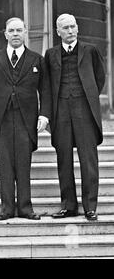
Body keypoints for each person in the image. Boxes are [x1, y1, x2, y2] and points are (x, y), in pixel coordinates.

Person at [0, 17, 51, 221]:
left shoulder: (36, 59)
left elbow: (45, 90)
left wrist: (44, 115)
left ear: (25, 33)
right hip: (1, 119)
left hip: (26, 120)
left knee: (24, 164)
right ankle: (6, 208)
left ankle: (25, 208)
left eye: (19, 30)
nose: (15, 34)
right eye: (11, 30)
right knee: (5, 164)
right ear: (5, 33)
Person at [45, 14, 105, 221]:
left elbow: (99, 78)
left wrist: (88, 99)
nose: (70, 31)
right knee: (64, 160)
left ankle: (90, 207)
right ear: (58, 31)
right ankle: (68, 205)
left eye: (73, 27)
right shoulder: (50, 54)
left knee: (88, 161)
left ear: (77, 28)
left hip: (85, 112)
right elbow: (47, 85)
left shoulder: (90, 50)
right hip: (60, 111)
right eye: (65, 28)